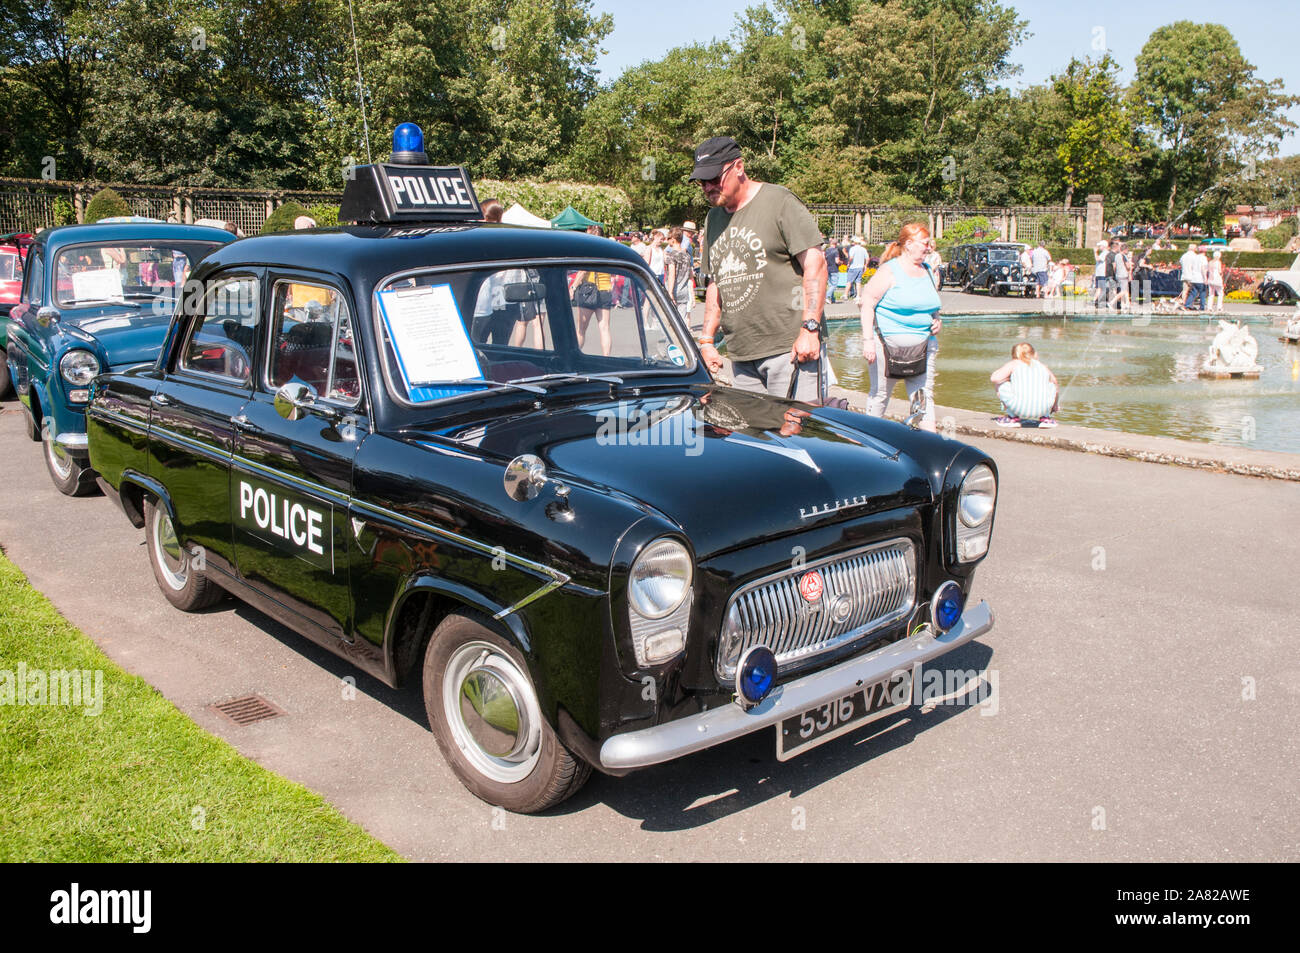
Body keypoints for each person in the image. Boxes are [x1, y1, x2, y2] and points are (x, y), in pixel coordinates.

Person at [691, 135, 828, 400]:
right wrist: (707, 340)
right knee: (752, 439)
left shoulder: (779, 202)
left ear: (739, 167)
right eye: (702, 182)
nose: (708, 187)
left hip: (788, 350)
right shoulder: (713, 218)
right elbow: (716, 284)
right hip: (741, 356)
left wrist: (810, 329)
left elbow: (816, 263)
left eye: (714, 178)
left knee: (794, 435)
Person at [859, 222, 941, 431]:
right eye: (925, 243)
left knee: (922, 394)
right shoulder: (889, 270)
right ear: (909, 244)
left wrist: (936, 319)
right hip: (887, 345)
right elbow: (867, 302)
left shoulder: (928, 270)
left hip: (924, 345)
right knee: (880, 394)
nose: (929, 247)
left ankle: (928, 441)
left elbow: (931, 304)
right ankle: (869, 438)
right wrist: (867, 341)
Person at [990, 342, 1059, 428]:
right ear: (1034, 353)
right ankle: (1045, 418)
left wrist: (1008, 378)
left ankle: (1013, 417)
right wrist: (1055, 405)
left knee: (1000, 383)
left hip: (1018, 408)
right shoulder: (1042, 366)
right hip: (1043, 409)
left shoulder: (1014, 363)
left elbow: (995, 378)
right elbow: (1055, 382)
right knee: (1051, 385)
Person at [663, 227, 694, 321]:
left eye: (668, 239)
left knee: (670, 320)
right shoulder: (687, 256)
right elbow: (690, 275)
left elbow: (672, 275)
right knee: (682, 320)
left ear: (673, 239)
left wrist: (670, 292)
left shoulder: (672, 255)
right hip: (684, 291)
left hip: (674, 290)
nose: (667, 241)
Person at [1180, 242, 1206, 311]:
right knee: (1194, 292)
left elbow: (1181, 264)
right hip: (1192, 276)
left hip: (1184, 275)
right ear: (1194, 249)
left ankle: (1184, 304)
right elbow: (1195, 266)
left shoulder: (1184, 256)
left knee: (1185, 291)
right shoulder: (1195, 256)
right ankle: (1189, 305)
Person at [823, 238, 842, 304]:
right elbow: (837, 261)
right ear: (836, 244)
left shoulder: (827, 250)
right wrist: (840, 262)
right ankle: (827, 296)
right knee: (834, 285)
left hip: (828, 269)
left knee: (830, 285)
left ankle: (832, 299)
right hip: (834, 269)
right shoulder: (835, 251)